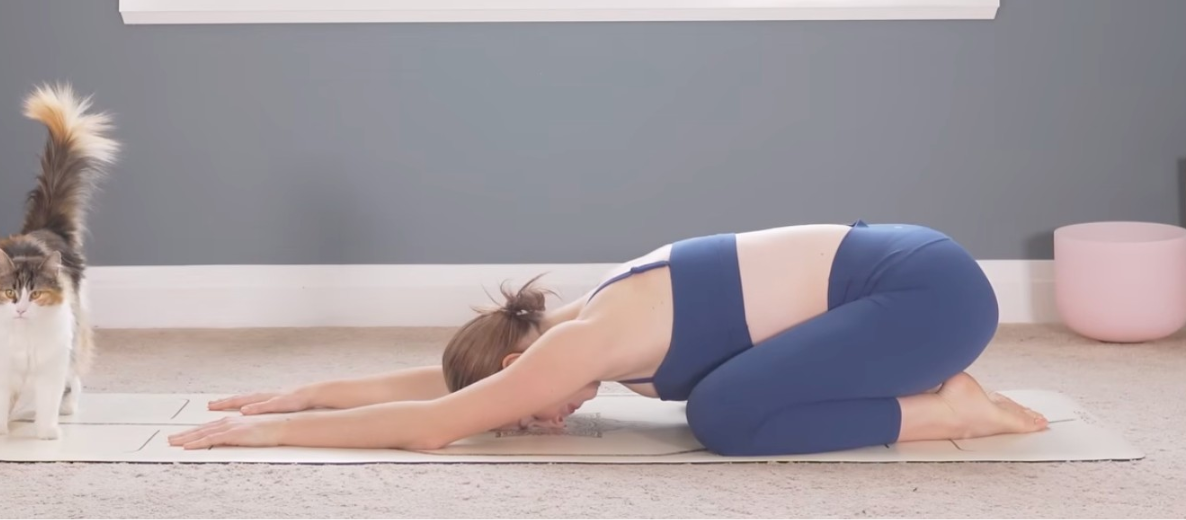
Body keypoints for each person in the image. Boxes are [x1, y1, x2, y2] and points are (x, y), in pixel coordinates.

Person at [169, 222, 1046, 456]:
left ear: (520, 363)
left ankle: (946, 411)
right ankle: (942, 398)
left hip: (927, 297)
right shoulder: (584, 323)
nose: (536, 422)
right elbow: (451, 390)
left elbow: (438, 423)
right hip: (924, 276)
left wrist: (276, 433)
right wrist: (312, 391)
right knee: (726, 404)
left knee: (729, 416)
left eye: (520, 413)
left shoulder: (571, 350)